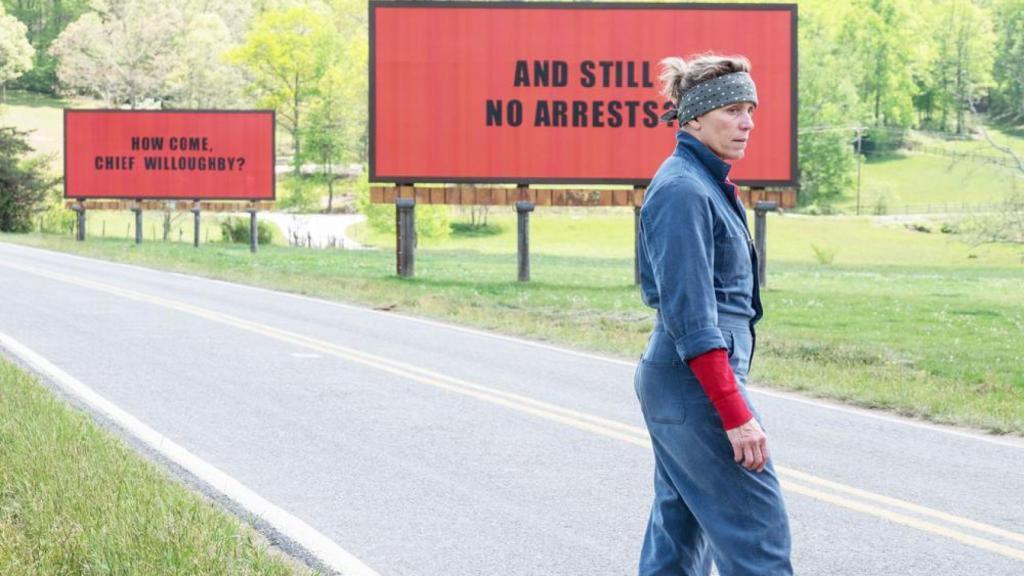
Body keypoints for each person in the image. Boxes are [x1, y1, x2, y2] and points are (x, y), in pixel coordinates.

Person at [634, 54, 794, 576]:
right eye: (731, 109)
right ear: (694, 119)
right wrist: (736, 413)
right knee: (757, 536)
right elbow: (693, 320)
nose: (747, 122)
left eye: (750, 108)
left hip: (685, 380)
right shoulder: (683, 190)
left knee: (679, 534)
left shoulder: (702, 182)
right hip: (694, 381)